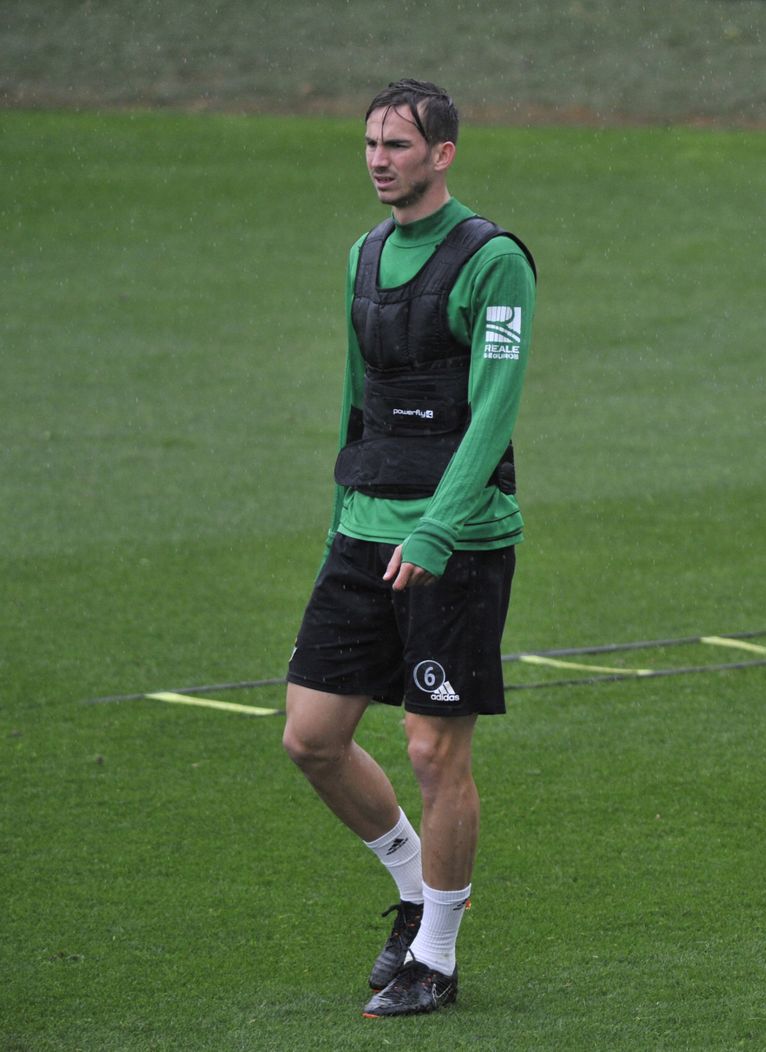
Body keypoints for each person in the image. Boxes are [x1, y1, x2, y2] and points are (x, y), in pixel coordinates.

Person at [281, 79, 537, 1019]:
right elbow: (361, 400)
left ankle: (436, 953)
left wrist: (438, 525)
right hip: (364, 529)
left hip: (458, 539)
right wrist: (339, 523)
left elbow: (494, 406)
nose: (379, 159)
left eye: (397, 144)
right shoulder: (364, 254)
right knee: (311, 739)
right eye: (370, 144)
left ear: (443, 154)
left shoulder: (494, 260)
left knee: (434, 752)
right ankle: (409, 883)